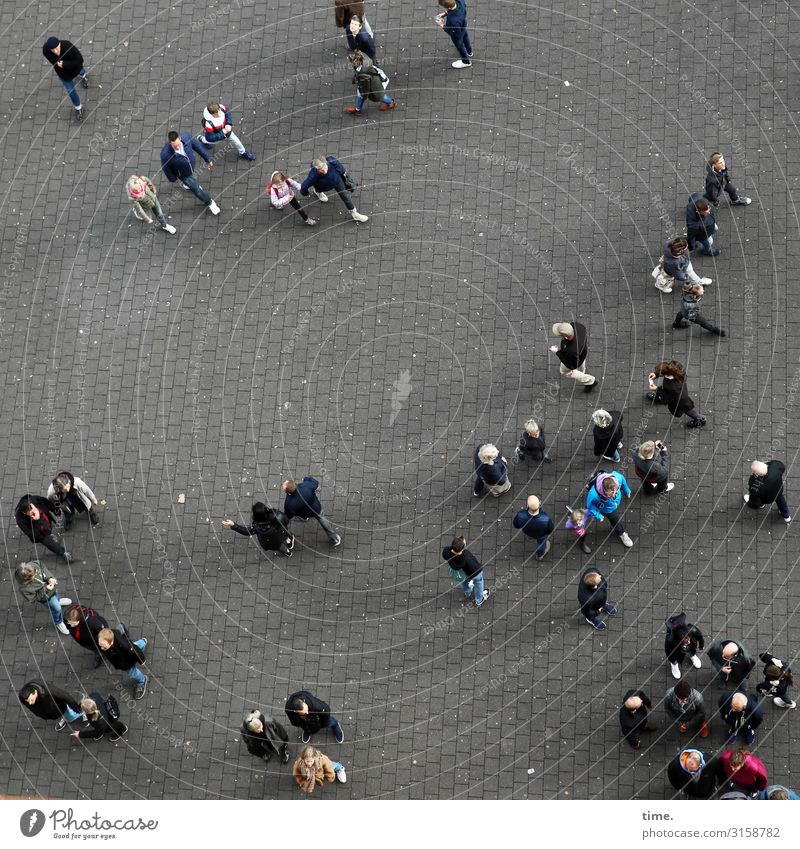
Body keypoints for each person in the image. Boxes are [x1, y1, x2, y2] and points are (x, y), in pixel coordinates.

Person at [160, 130, 220, 215]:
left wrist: (208, 158)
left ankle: (187, 184)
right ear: (170, 143)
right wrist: (173, 179)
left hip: (191, 166)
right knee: (197, 189)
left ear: (180, 138)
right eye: (175, 146)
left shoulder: (186, 137)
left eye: (178, 144)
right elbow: (166, 168)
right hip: (183, 175)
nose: (177, 147)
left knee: (191, 182)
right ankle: (210, 203)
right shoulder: (165, 155)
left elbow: (197, 147)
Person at [299, 155, 368, 222]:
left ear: (326, 163)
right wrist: (306, 193)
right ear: (316, 169)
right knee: (318, 189)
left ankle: (354, 214)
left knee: (345, 196)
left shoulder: (331, 160)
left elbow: (339, 166)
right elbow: (304, 187)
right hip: (323, 187)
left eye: (325, 168)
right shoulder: (313, 175)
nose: (325, 171)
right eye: (321, 171)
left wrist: (344, 173)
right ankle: (318, 192)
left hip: (337, 181)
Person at [14, 562, 72, 634]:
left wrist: (49, 578)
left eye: (35, 573)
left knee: (56, 596)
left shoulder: (33, 565)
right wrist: (46, 589)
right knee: (57, 609)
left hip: (52, 590)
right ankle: (58, 622)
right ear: (26, 581)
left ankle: (58, 601)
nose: (35, 576)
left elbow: (42, 567)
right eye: (32, 579)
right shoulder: (24, 589)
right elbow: (34, 599)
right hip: (47, 599)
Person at [281, 477, 341, 547]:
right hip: (316, 508)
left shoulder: (289, 503)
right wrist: (306, 479)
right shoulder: (306, 486)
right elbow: (315, 482)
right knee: (322, 519)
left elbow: (289, 515)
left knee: (299, 512)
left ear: (288, 492)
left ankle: (304, 518)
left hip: (304, 513)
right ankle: (334, 537)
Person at [646, 360, 706, 428]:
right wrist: (656, 374)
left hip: (679, 400)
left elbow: (669, 396)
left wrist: (656, 389)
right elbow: (666, 370)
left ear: (665, 374)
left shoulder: (673, 387)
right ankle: (659, 397)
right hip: (675, 394)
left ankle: (700, 419)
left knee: (686, 409)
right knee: (685, 407)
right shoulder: (675, 368)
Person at [15, 495, 73, 563]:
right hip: (41, 533)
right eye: (31, 512)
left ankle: (50, 532)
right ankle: (62, 553)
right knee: (50, 543)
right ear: (25, 513)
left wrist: (54, 510)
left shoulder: (34, 500)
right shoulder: (20, 520)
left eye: (33, 508)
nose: (34, 510)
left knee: (49, 528)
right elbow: (32, 534)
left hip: (46, 521)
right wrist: (36, 520)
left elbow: (45, 502)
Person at [222, 502, 294, 557]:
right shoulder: (277, 516)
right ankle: (290, 543)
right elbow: (286, 521)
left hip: (272, 543)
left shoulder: (256, 527)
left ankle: (287, 552)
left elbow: (246, 531)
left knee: (279, 547)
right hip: (282, 534)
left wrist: (234, 525)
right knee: (288, 537)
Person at [42, 36, 88, 121]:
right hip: (64, 75)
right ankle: (78, 108)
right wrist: (60, 66)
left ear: (60, 44)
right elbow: (53, 62)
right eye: (53, 50)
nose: (56, 51)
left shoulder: (68, 46)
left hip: (75, 69)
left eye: (57, 48)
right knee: (71, 92)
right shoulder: (46, 50)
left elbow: (79, 60)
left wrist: (64, 64)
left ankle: (84, 76)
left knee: (81, 71)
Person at [585, 471, 634, 547]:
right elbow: (590, 508)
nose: (614, 495)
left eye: (616, 490)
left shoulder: (617, 477)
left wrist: (626, 490)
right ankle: (621, 533)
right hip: (606, 509)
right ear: (603, 490)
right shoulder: (593, 495)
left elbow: (623, 480)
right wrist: (598, 516)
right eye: (610, 494)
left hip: (612, 504)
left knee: (614, 519)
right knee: (615, 519)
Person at [98, 627, 148, 700]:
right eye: (100, 645)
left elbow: (134, 650)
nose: (101, 648)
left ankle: (142, 681)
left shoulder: (124, 646)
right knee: (135, 645)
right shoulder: (108, 636)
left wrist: (142, 660)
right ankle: (143, 642)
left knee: (133, 673)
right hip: (124, 656)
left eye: (104, 646)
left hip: (127, 662)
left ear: (111, 642)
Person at [18, 681, 86, 732]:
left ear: (35, 692)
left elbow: (67, 697)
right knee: (66, 715)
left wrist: (77, 709)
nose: (30, 703)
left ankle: (84, 712)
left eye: (31, 700)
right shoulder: (23, 696)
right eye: (28, 701)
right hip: (53, 712)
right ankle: (68, 717)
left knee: (70, 716)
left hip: (60, 709)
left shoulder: (50, 691)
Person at [549, 321, 598, 391]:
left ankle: (590, 381)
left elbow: (571, 365)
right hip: (582, 351)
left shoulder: (572, 351)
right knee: (580, 361)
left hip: (575, 358)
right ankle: (582, 370)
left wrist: (557, 351)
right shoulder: (579, 326)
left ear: (566, 337)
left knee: (566, 372)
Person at [442, 535, 489, 606]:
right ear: (461, 550)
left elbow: (446, 554)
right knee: (479, 581)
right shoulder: (465, 559)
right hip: (474, 573)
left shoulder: (446, 551)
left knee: (463, 581)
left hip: (462, 574)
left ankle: (467, 592)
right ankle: (479, 599)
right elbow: (477, 570)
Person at [512, 495, 554, 560]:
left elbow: (516, 525)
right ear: (539, 504)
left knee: (531, 536)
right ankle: (539, 555)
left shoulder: (520, 515)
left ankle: (531, 537)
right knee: (541, 544)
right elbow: (550, 529)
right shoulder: (546, 518)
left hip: (528, 532)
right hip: (541, 535)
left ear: (527, 505)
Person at [664, 612, 704, 679]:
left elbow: (699, 636)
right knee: (674, 656)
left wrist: (701, 645)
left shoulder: (692, 630)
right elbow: (669, 653)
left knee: (692, 649)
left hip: (691, 647)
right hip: (677, 650)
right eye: (684, 640)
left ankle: (692, 655)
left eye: (688, 638)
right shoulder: (670, 641)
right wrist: (672, 660)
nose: (688, 641)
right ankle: (674, 665)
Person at [436, 0, 473, 69]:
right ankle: (469, 51)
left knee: (460, 46)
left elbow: (453, 33)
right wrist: (446, 13)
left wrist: (442, 25)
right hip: (463, 25)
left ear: (448, 7)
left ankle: (466, 62)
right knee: (465, 37)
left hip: (457, 34)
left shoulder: (454, 21)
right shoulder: (460, 1)